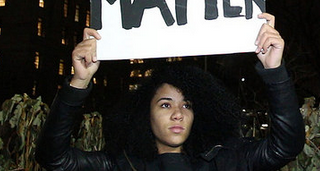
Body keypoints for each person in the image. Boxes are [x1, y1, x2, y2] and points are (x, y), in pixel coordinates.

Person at [35, 13, 305, 171]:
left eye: (186, 105)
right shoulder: (119, 163)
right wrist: (79, 82)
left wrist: (274, 71)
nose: (178, 113)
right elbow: (53, 158)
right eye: (165, 105)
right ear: (146, 114)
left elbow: (285, 147)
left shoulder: (225, 158)